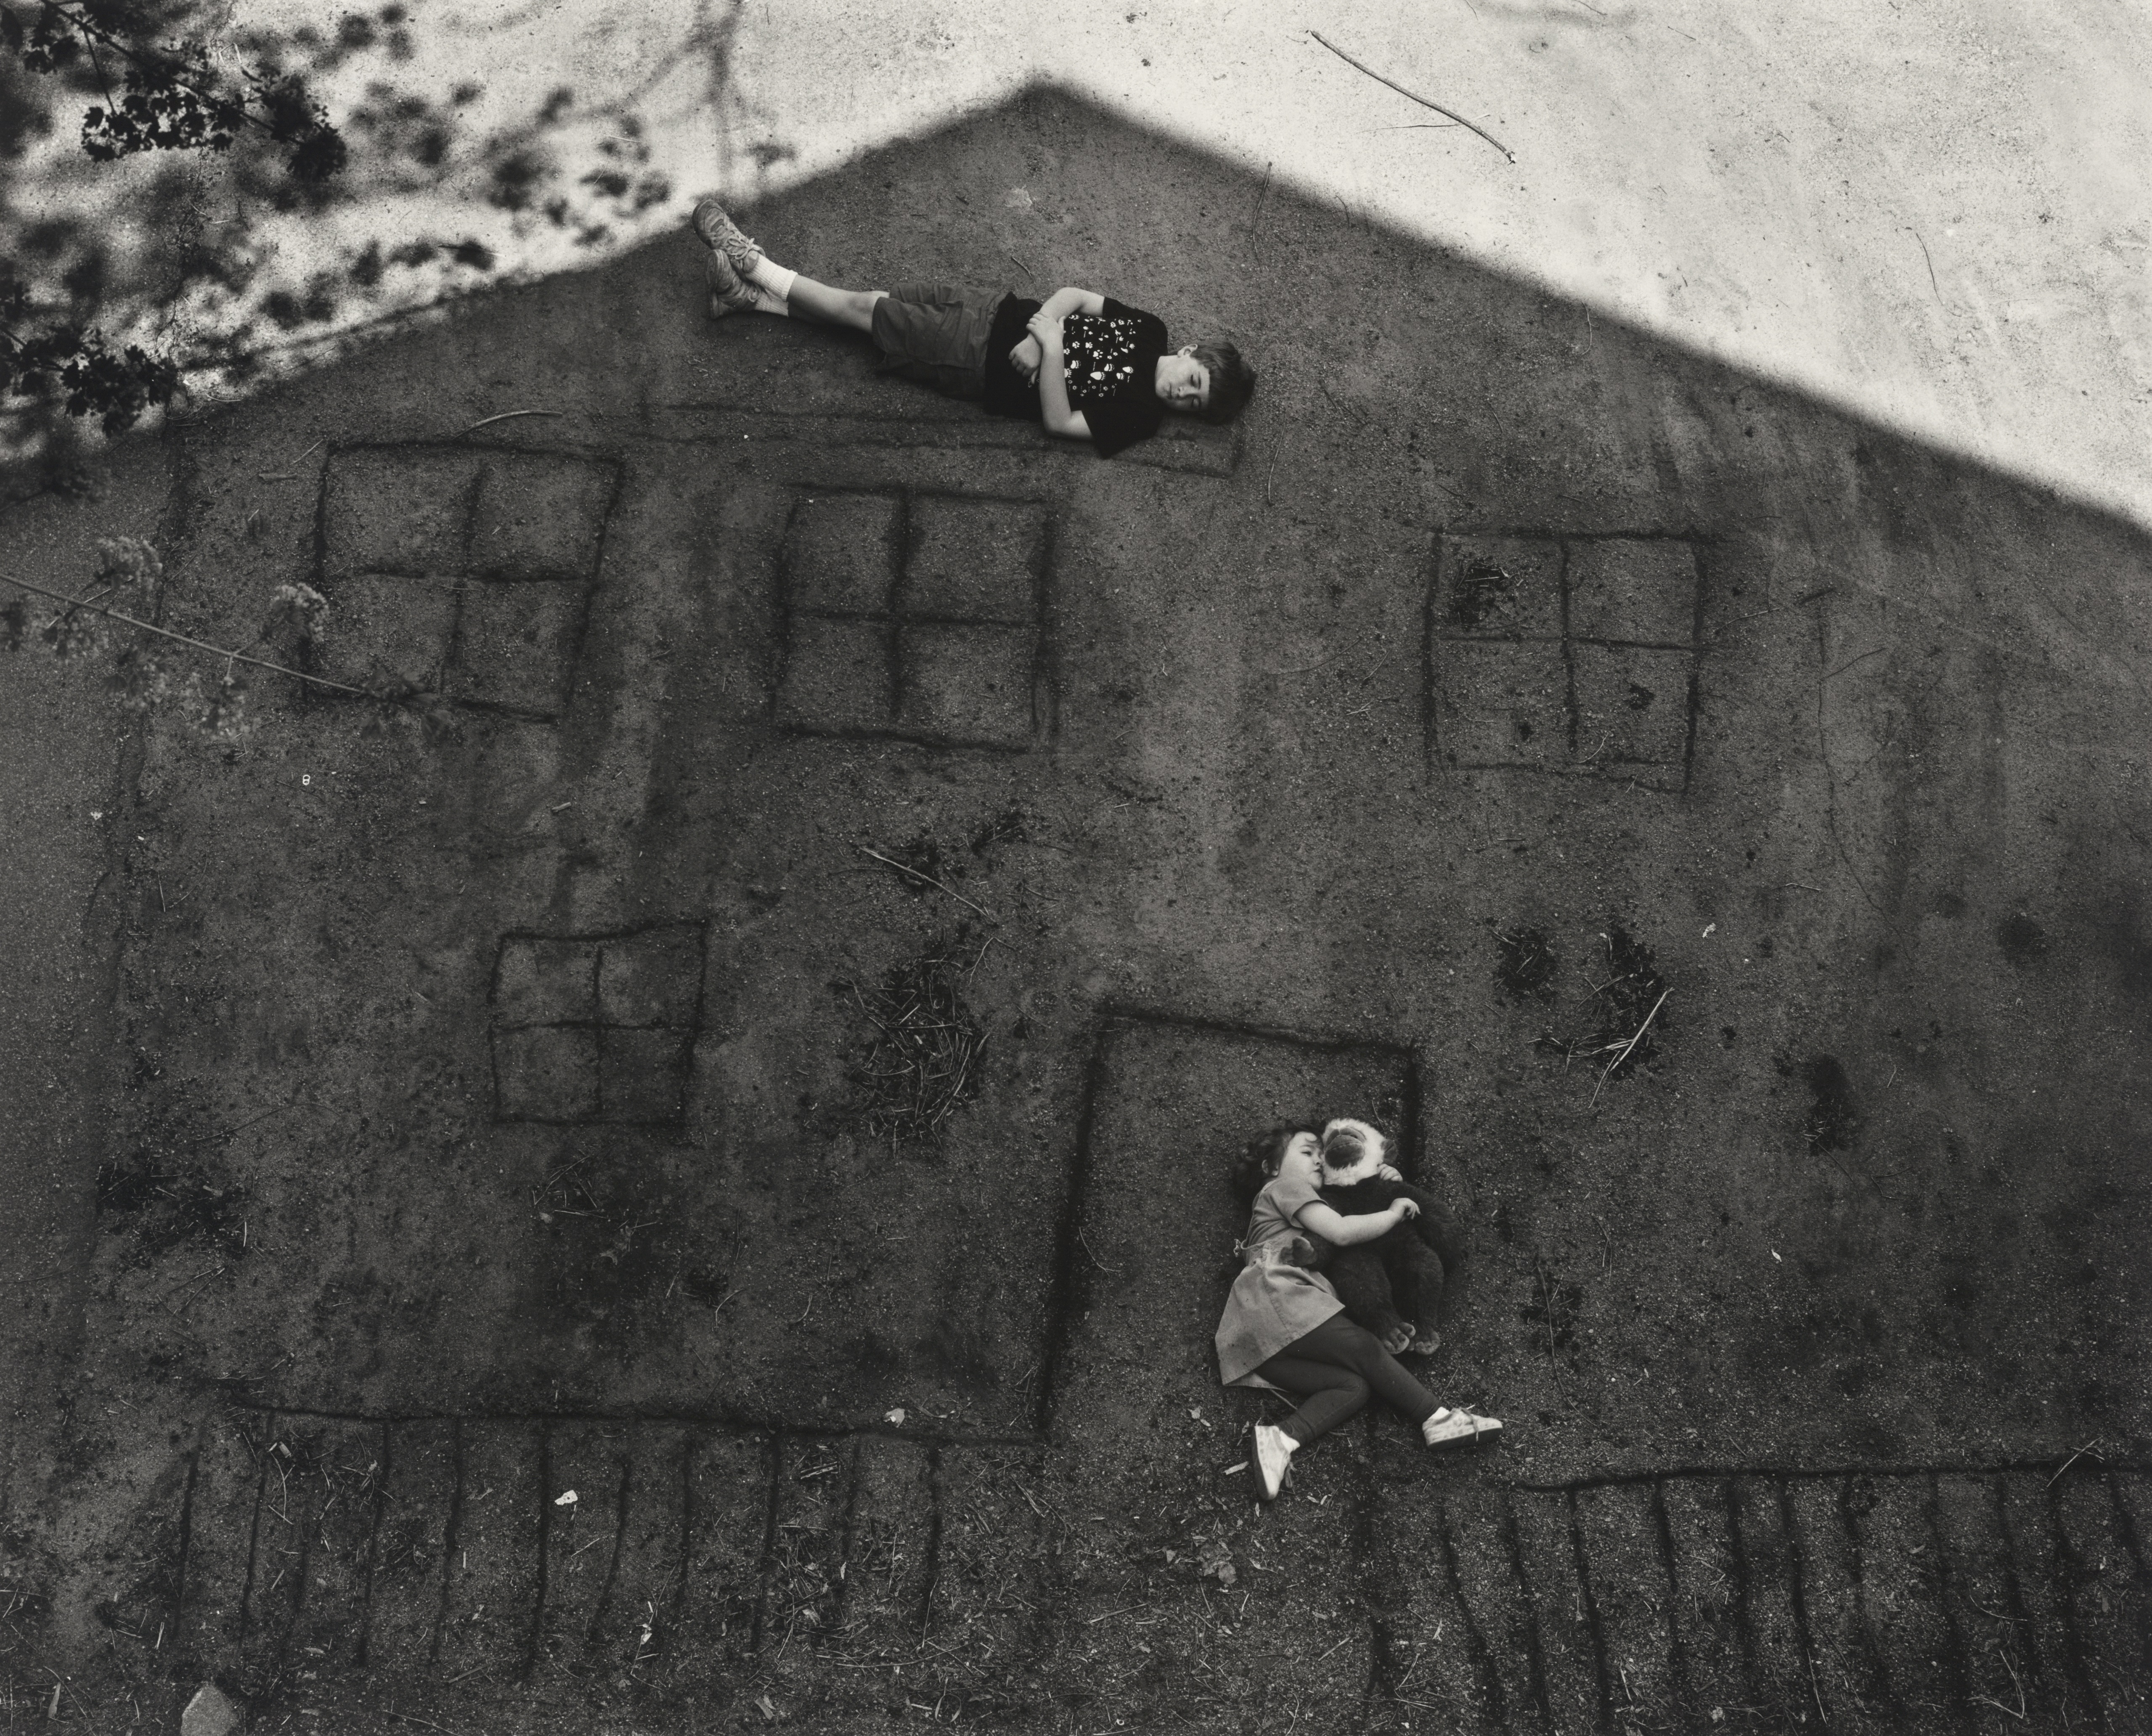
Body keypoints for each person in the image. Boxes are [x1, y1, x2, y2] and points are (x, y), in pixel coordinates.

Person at [688, 199, 1256, 459]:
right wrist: (1042, 331)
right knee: (880, 307)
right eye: (1194, 380)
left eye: (1191, 403)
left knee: (867, 311)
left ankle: (753, 262)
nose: (1181, 393)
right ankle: (748, 302)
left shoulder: (1140, 418)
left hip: (978, 363)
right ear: (1190, 352)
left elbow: (1060, 422)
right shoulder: (1151, 330)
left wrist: (1051, 351)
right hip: (995, 309)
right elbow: (1078, 296)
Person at [1217, 1128, 1501, 1500]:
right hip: (1281, 1302)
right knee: (1365, 1349)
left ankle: (1281, 1439)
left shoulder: (1291, 1202)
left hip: (1263, 1338)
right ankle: (1438, 1419)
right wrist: (1394, 1210)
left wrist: (1380, 1174)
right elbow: (1343, 1232)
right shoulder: (1283, 1188)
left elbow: (1349, 1211)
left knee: (1353, 1386)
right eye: (1307, 1151)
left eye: (1322, 1152)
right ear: (1272, 1167)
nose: (1320, 1158)